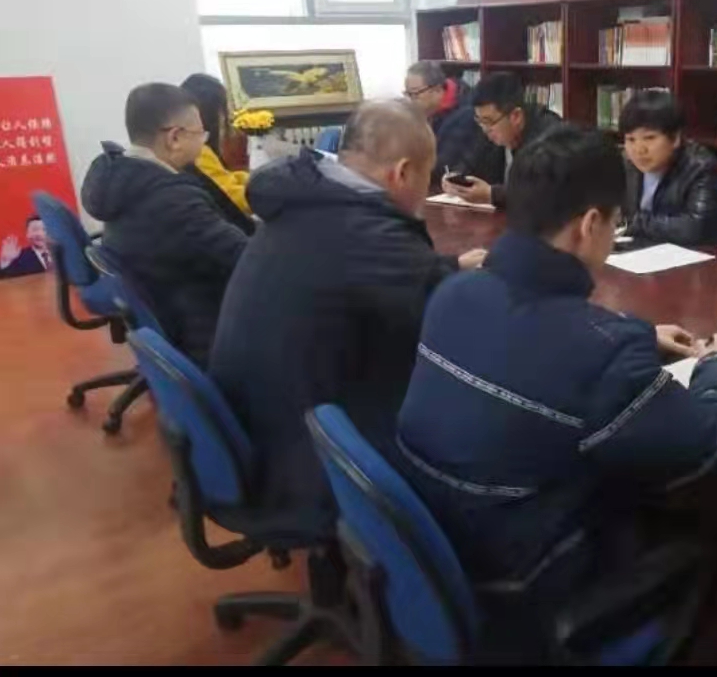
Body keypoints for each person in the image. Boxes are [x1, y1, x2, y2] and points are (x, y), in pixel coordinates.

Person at [397, 124, 717, 653]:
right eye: (616, 221)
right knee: (705, 528)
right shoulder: (601, 354)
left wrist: (634, 335)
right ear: (590, 225)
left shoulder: (456, 292)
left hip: (450, 553)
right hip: (531, 585)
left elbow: (537, 344)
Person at [209, 99, 487, 538]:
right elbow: (452, 327)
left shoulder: (309, 197)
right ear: (403, 172)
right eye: (427, 174)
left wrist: (449, 269)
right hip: (305, 460)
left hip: (263, 424)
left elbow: (371, 273)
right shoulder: (370, 231)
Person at [81, 83, 248, 366]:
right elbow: (246, 259)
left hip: (167, 312)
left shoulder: (122, 176)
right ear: (175, 137)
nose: (204, 141)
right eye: (201, 133)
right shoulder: (172, 200)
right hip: (204, 330)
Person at [619, 90, 717, 247]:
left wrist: (636, 222)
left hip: (694, 255)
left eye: (649, 138)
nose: (639, 150)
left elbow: (696, 228)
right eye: (631, 139)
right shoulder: (627, 163)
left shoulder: (699, 166)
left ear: (675, 138)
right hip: (640, 249)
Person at [441, 71, 561, 209]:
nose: (485, 129)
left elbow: (542, 192)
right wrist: (455, 179)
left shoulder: (549, 136)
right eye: (479, 121)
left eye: (488, 121)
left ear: (516, 116)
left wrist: (491, 194)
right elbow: (469, 164)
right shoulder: (489, 131)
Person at [180, 73, 256, 235]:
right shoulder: (199, 152)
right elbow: (232, 198)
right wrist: (272, 192)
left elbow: (223, 178)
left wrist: (252, 178)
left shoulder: (196, 149)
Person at [403, 60, 489, 187]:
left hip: (458, 188)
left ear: (437, 90)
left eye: (415, 94)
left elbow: (442, 165)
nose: (411, 100)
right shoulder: (425, 112)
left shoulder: (466, 115)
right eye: (408, 94)